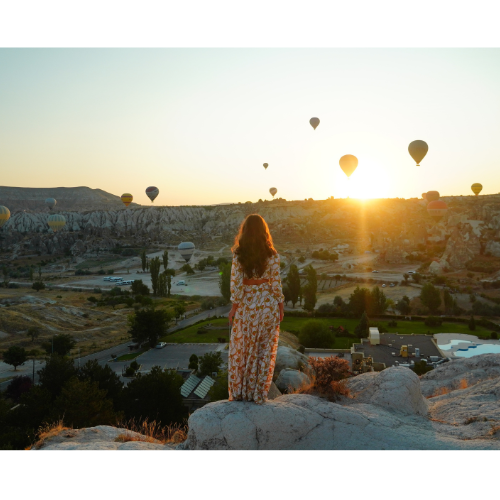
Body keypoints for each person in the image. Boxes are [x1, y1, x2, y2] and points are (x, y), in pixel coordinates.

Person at [228, 214, 284, 404]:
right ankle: (258, 393)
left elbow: (236, 284)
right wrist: (280, 306)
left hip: (247, 305)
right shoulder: (272, 254)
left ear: (244, 231)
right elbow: (276, 284)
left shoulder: (238, 254)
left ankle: (241, 392)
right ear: (263, 231)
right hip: (268, 305)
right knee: (263, 351)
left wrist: (233, 308)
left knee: (243, 349)